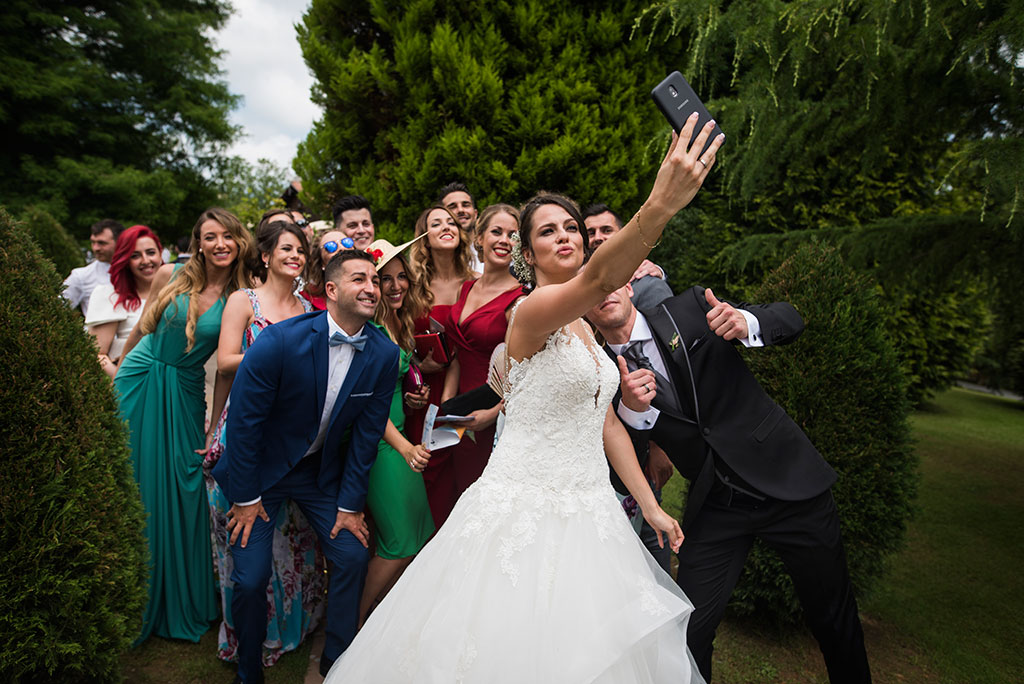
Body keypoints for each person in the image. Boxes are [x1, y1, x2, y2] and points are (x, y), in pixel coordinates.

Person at [324, 114, 724, 683]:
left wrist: (650, 502)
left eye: (571, 227)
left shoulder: (585, 328)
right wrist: (659, 206)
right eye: (547, 231)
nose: (565, 236)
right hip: (521, 512)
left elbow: (605, 422)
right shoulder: (530, 312)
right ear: (528, 256)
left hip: (589, 511)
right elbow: (595, 281)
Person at [585, 281, 872, 683]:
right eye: (591, 287)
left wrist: (746, 321)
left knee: (834, 619)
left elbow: (790, 318)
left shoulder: (687, 310)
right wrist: (633, 413)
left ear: (630, 287)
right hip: (718, 504)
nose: (603, 291)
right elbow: (621, 473)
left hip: (790, 483)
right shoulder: (597, 374)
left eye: (611, 279)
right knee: (689, 630)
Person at [212, 249, 399, 683]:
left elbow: (367, 437)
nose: (372, 287)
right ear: (330, 291)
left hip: (317, 473)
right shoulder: (279, 341)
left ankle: (338, 659)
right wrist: (243, 498)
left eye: (375, 280)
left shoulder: (384, 356)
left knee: (351, 555)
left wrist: (351, 504)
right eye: (360, 279)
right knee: (252, 577)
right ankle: (248, 670)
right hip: (257, 475)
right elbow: (242, 425)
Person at [114, 207, 254, 643]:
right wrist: (116, 375)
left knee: (184, 485)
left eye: (227, 236)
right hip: (140, 378)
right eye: (210, 237)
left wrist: (215, 427)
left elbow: (228, 371)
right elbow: (140, 329)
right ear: (198, 242)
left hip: (185, 391)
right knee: (134, 481)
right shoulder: (170, 275)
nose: (219, 244)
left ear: (239, 241)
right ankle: (129, 594)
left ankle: (183, 597)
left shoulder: (242, 295)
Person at [202, 221, 325, 667]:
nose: (295, 256)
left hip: (292, 437)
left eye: (301, 251)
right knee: (245, 534)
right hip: (246, 427)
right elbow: (226, 360)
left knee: (293, 538)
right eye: (286, 249)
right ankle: (246, 635)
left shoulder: (312, 308)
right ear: (267, 256)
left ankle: (292, 625)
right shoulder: (244, 301)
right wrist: (214, 428)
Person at [358, 236, 435, 625]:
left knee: (417, 535)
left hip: (400, 438)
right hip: (380, 445)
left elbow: (390, 390)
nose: (395, 286)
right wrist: (405, 447)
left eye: (400, 276)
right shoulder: (368, 332)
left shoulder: (396, 322)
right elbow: (367, 403)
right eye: (384, 279)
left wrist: (412, 399)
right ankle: (352, 626)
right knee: (399, 543)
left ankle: (385, 621)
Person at [441, 203, 523, 493]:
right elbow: (458, 357)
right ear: (479, 238)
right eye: (496, 232)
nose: (504, 240)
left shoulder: (520, 299)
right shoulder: (466, 288)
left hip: (496, 417)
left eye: (513, 235)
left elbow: (527, 371)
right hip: (458, 415)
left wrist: (494, 413)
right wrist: (446, 407)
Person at [406, 204, 478, 527]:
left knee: (467, 471)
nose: (447, 226)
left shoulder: (476, 283)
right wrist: (419, 368)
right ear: (424, 237)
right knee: (430, 470)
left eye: (451, 222)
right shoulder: (413, 288)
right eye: (436, 223)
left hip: (466, 390)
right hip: (424, 391)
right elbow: (399, 343)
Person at [86, 225, 164, 378]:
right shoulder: (111, 296)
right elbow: (97, 354)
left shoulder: (178, 292)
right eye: (135, 256)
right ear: (125, 260)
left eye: (151, 253)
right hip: (131, 385)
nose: (146, 260)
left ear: (160, 254)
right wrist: (123, 382)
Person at [583, 203, 672, 310]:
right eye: (591, 233)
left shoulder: (649, 285)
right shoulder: (574, 283)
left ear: (622, 235)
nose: (598, 237)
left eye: (607, 230)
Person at [62, 218, 124, 316]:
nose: (96, 248)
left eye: (101, 243)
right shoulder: (81, 276)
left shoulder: (138, 271)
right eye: (93, 242)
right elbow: (58, 309)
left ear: (120, 242)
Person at [439, 181, 483, 272]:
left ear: (475, 214)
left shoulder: (490, 251)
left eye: (465, 205)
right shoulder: (436, 258)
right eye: (452, 207)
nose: (460, 210)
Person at [301, 228, 349, 310]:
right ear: (321, 263)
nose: (341, 248)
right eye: (331, 246)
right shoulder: (307, 300)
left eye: (347, 242)